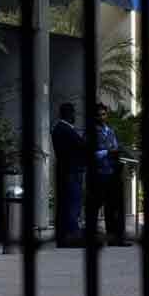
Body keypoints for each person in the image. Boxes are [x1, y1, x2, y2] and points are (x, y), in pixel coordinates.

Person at [85, 103, 132, 247]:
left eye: (103, 114)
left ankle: (115, 239)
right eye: (98, 115)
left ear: (107, 115)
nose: (101, 117)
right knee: (94, 208)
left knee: (113, 208)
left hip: (113, 174)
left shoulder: (110, 131)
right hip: (98, 174)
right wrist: (107, 152)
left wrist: (119, 152)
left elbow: (116, 148)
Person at [51, 103, 86, 245]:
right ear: (68, 114)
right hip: (71, 171)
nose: (74, 117)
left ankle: (65, 237)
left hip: (66, 170)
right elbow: (81, 146)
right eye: (73, 114)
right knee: (73, 203)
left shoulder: (59, 129)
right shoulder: (65, 129)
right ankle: (72, 237)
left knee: (66, 203)